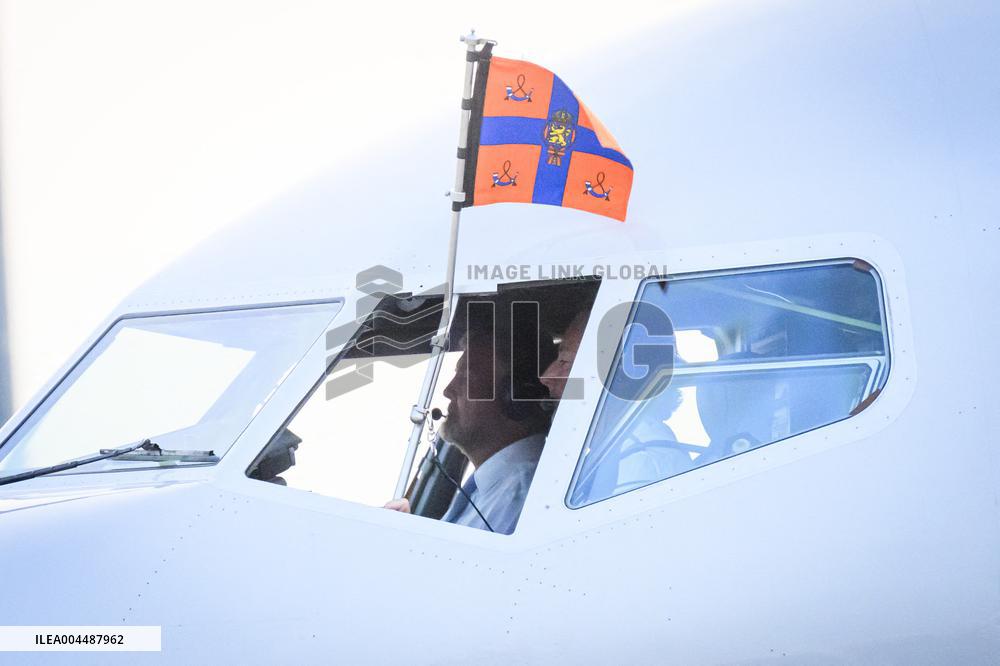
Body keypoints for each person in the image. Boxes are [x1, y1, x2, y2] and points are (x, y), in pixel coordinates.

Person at [385, 313, 557, 535]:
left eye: (466, 378)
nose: (448, 390)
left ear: (517, 396)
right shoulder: (492, 489)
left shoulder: (520, 494)